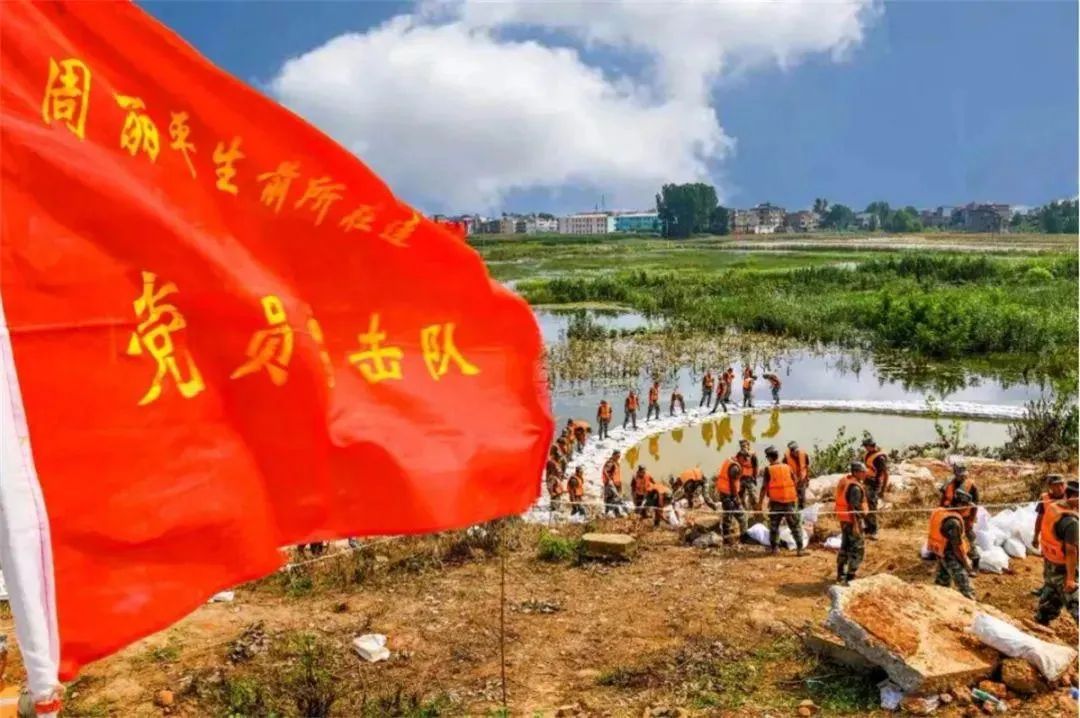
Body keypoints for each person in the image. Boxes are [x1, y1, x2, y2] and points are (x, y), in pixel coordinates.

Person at [1035, 479, 1078, 625]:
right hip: (1065, 569)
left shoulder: (1054, 508)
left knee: (1051, 594)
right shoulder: (1071, 523)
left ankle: (1041, 620)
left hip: (1050, 564)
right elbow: (1071, 551)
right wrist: (1071, 579)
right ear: (1074, 497)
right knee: (1075, 602)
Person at [927, 489, 976, 599]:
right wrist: (966, 564)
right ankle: (970, 604)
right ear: (959, 505)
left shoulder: (941, 512)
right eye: (966, 506)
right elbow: (957, 548)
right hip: (950, 555)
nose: (967, 509)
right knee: (966, 588)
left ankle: (938, 601)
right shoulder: (953, 523)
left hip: (939, 551)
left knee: (942, 583)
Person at [758, 445, 806, 556]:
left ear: (769, 458)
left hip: (776, 503)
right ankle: (800, 549)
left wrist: (760, 503)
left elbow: (764, 487)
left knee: (774, 526)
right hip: (790, 502)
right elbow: (795, 481)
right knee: (795, 526)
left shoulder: (769, 469)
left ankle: (775, 549)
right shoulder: (787, 467)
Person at [940, 462, 979, 570]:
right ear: (955, 474)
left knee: (970, 540)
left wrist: (971, 521)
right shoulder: (948, 484)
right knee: (952, 542)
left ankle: (975, 564)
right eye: (960, 475)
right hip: (950, 517)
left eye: (964, 475)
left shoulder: (972, 486)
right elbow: (942, 501)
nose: (963, 477)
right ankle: (955, 562)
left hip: (965, 518)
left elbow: (975, 506)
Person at [835, 462, 869, 585]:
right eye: (862, 472)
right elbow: (855, 508)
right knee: (857, 548)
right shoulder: (855, 488)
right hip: (852, 521)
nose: (865, 474)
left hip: (844, 520)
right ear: (855, 472)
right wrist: (859, 523)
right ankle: (850, 576)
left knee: (845, 546)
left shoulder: (846, 481)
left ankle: (841, 574)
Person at [714, 456, 748, 543]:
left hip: (723, 492)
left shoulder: (729, 460)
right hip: (730, 495)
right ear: (741, 457)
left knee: (727, 516)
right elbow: (733, 484)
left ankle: (726, 538)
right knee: (743, 516)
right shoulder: (735, 467)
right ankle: (744, 539)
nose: (745, 461)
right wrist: (737, 498)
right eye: (745, 459)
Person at [862, 437, 888, 540]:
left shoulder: (880, 458)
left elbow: (885, 474)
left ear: (870, 446)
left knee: (872, 507)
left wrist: (882, 490)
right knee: (865, 506)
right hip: (867, 481)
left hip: (874, 484)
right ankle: (868, 527)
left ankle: (874, 530)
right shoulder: (869, 454)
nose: (865, 448)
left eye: (866, 446)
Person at [785, 441, 811, 510]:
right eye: (793, 451)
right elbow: (784, 469)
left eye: (796, 451)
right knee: (792, 500)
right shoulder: (786, 457)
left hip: (802, 480)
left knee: (802, 499)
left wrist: (808, 478)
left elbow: (807, 467)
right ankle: (793, 512)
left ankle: (802, 511)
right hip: (792, 481)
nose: (795, 453)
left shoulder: (804, 454)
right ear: (791, 451)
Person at [735, 440, 759, 513]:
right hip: (741, 478)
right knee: (739, 496)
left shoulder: (753, 456)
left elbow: (756, 467)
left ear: (748, 446)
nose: (743, 448)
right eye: (741, 446)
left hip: (750, 478)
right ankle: (742, 511)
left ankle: (757, 512)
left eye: (744, 446)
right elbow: (735, 465)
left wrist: (755, 477)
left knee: (753, 496)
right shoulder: (739, 455)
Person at [602, 450, 628, 517]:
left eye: (619, 456)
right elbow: (605, 471)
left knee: (611, 499)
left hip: (616, 484)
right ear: (613, 455)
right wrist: (609, 480)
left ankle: (614, 513)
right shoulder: (610, 462)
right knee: (617, 498)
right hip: (611, 484)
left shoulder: (616, 463)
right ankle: (627, 511)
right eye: (617, 456)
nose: (618, 457)